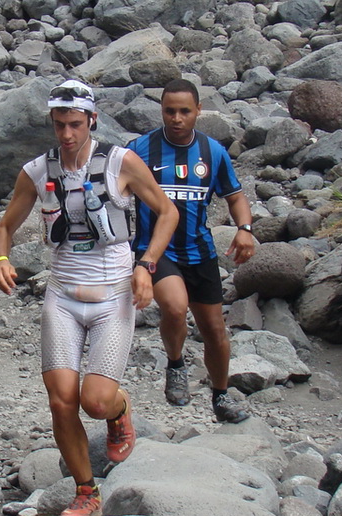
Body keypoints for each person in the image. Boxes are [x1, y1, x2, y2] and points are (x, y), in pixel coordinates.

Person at [0, 80, 178, 516]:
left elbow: (167, 212)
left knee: (95, 401)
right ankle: (86, 492)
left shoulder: (120, 163)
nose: (67, 134)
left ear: (92, 120)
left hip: (114, 295)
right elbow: (3, 228)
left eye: (75, 124)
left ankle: (119, 409)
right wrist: (1, 258)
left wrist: (146, 264)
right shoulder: (37, 171)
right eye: (59, 125)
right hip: (63, 296)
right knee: (60, 401)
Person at [129, 78, 256, 423]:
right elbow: (112, 191)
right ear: (161, 110)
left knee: (214, 329)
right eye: (169, 111)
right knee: (174, 305)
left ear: (198, 111)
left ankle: (221, 395)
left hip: (200, 251)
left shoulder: (212, 152)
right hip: (155, 251)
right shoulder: (139, 150)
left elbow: (235, 196)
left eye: (185, 111)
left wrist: (245, 229)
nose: (176, 118)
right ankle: (175, 364)